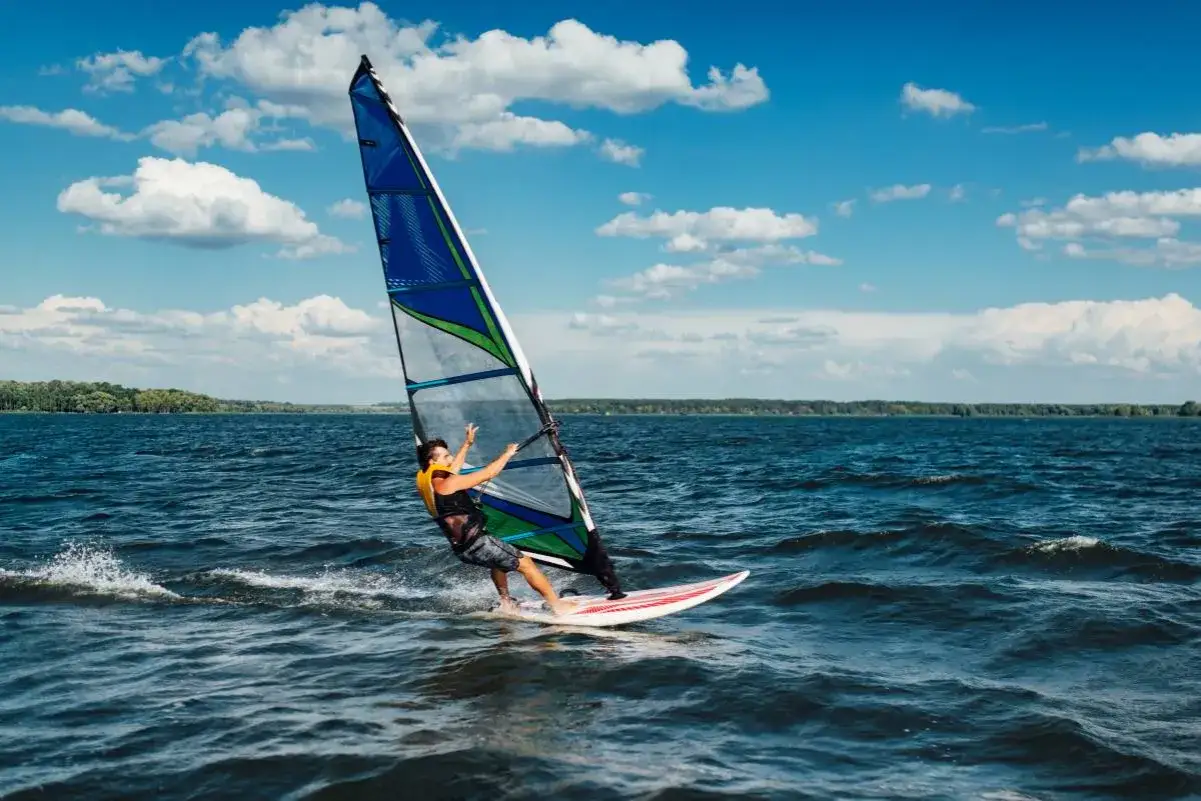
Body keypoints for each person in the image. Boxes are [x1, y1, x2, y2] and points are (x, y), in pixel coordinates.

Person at [415, 424, 577, 615]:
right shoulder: (449, 484)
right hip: (477, 542)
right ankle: (557, 606)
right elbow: (489, 473)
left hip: (461, 547)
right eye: (445, 457)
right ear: (433, 462)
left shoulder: (426, 478)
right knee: (526, 564)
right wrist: (507, 453)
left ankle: (506, 603)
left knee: (497, 563)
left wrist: (467, 444)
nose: (450, 459)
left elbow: (453, 469)